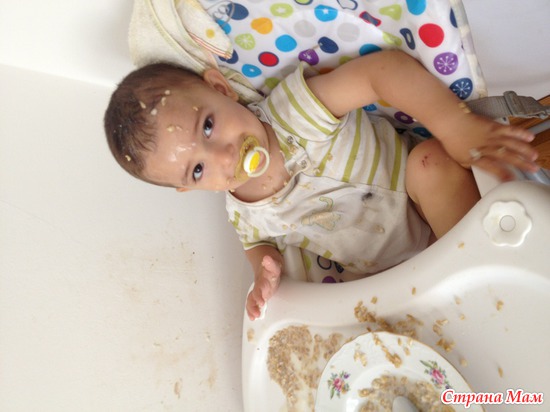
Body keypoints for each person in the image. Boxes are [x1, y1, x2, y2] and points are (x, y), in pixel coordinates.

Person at [104, 50, 539, 320]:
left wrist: (452, 124)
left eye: (208, 126)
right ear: (189, 189)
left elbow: (381, 71)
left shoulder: (293, 113)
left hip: (425, 198)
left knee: (430, 163)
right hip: (385, 272)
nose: (224, 156)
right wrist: (263, 270)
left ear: (221, 88)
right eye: (198, 170)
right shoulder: (241, 209)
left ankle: (479, 276)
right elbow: (256, 243)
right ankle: (451, 307)